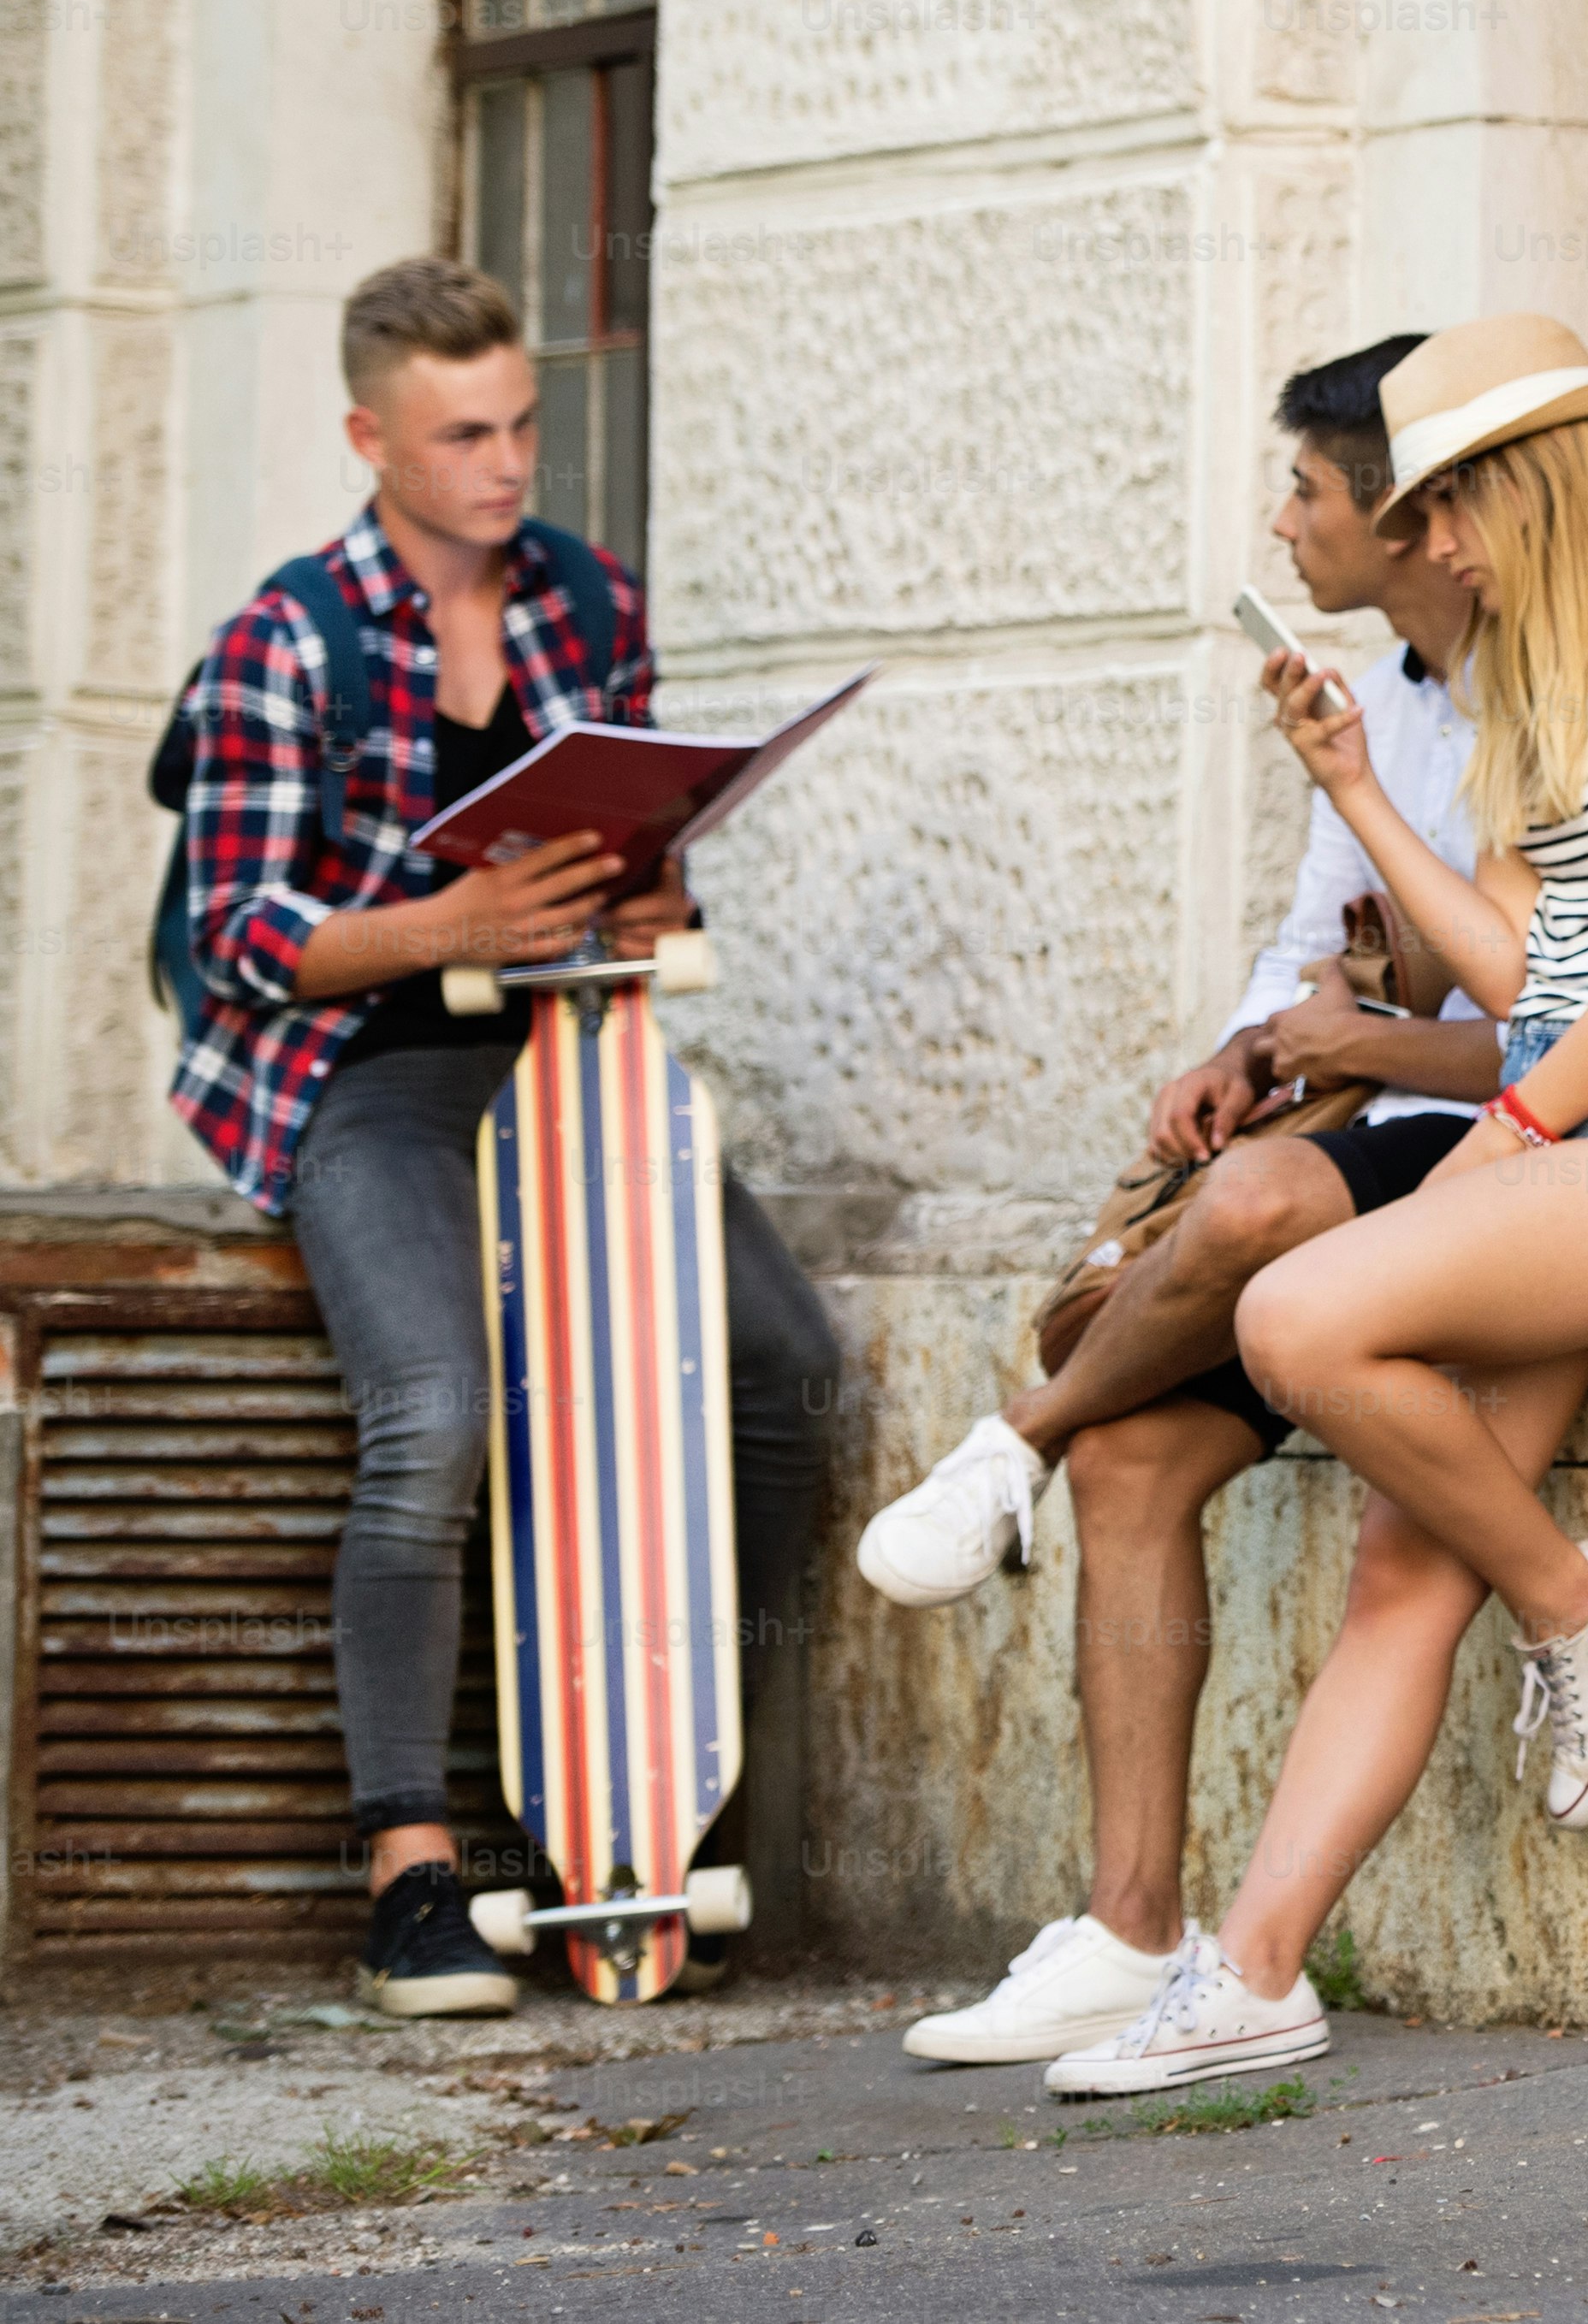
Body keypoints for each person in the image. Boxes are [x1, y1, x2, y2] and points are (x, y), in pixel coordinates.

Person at [1041, 312, 1588, 2096]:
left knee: (1294, 1310)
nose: (1435, 542)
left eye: (1449, 503)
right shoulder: (1528, 684)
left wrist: (1511, 1129)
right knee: (1407, 1554)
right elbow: (1527, 965)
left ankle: (1570, 1603)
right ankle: (1252, 1972)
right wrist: (1350, 793)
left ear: (1528, 484)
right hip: (1583, 1125)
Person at [164, 257, 844, 2016]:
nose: (504, 460)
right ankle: (408, 1867)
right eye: (463, 431)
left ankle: (665, 1790)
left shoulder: (582, 598)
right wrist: (451, 927)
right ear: (367, 435)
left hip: (573, 1049)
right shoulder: (281, 640)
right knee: (440, 1409)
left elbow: (618, 849)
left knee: (780, 1361)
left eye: (523, 421)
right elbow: (248, 932)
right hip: (365, 1070)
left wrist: (658, 854)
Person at [860, 336, 1513, 2066]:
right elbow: (1312, 935)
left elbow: (1559, 1018)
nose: (1281, 522)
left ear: (1406, 510)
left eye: (1307, 488)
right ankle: (1122, 1922)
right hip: (1379, 1119)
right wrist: (1244, 1042)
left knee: (1241, 1208)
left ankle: (1016, 1436)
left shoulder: (1548, 697)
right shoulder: (1390, 701)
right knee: (1143, 1453)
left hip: (1520, 1138)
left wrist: (1350, 1033)